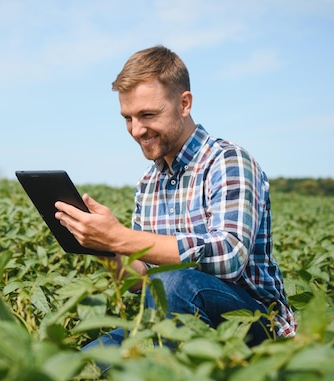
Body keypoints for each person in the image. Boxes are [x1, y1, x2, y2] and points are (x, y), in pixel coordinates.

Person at [54, 45, 296, 349]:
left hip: (257, 326)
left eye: (148, 115)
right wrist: (103, 246)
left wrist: (120, 238)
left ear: (184, 104)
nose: (136, 130)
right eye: (127, 118)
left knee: (175, 282)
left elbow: (229, 256)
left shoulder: (227, 162)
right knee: (81, 367)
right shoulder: (148, 182)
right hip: (172, 314)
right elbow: (140, 281)